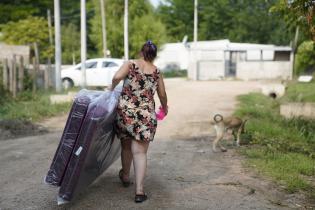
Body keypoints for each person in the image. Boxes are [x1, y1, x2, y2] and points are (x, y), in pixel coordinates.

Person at [109, 40, 168, 203]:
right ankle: (140, 192)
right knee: (140, 152)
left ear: (141, 52)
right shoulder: (157, 71)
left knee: (126, 144)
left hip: (126, 114)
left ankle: (126, 176)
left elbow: (116, 77)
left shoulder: (130, 64)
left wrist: (111, 88)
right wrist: (165, 107)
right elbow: (162, 94)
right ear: (154, 56)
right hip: (145, 115)